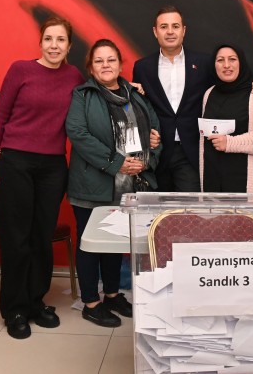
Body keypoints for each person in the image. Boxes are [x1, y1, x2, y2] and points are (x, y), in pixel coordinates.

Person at [0, 16, 85, 339]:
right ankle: (14, 308)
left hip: (53, 167)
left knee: (41, 237)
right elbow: (0, 116)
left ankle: (35, 301)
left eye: (61, 40)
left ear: (69, 46)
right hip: (16, 162)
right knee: (16, 238)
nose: (54, 46)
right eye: (48, 39)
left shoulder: (74, 76)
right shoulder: (21, 70)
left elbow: (100, 94)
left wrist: (131, 89)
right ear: (40, 42)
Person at [66, 39, 161, 328]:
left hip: (129, 185)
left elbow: (155, 132)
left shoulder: (136, 95)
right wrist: (117, 162)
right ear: (90, 67)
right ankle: (91, 303)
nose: (105, 65)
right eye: (99, 61)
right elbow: (78, 133)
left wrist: (148, 160)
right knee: (90, 245)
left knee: (115, 243)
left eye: (111, 60)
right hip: (93, 184)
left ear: (120, 64)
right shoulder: (83, 95)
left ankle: (111, 294)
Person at [132, 5, 253, 192]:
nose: (170, 31)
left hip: (192, 151)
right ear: (155, 32)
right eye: (164, 27)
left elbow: (232, 80)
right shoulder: (142, 67)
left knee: (190, 207)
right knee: (155, 207)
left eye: (175, 26)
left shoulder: (204, 63)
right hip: (157, 152)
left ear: (183, 31)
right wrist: (145, 132)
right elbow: (139, 108)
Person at [200, 44, 253, 192]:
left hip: (245, 183)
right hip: (212, 180)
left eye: (232, 59)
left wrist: (230, 143)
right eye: (220, 60)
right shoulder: (209, 94)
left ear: (241, 62)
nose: (226, 65)